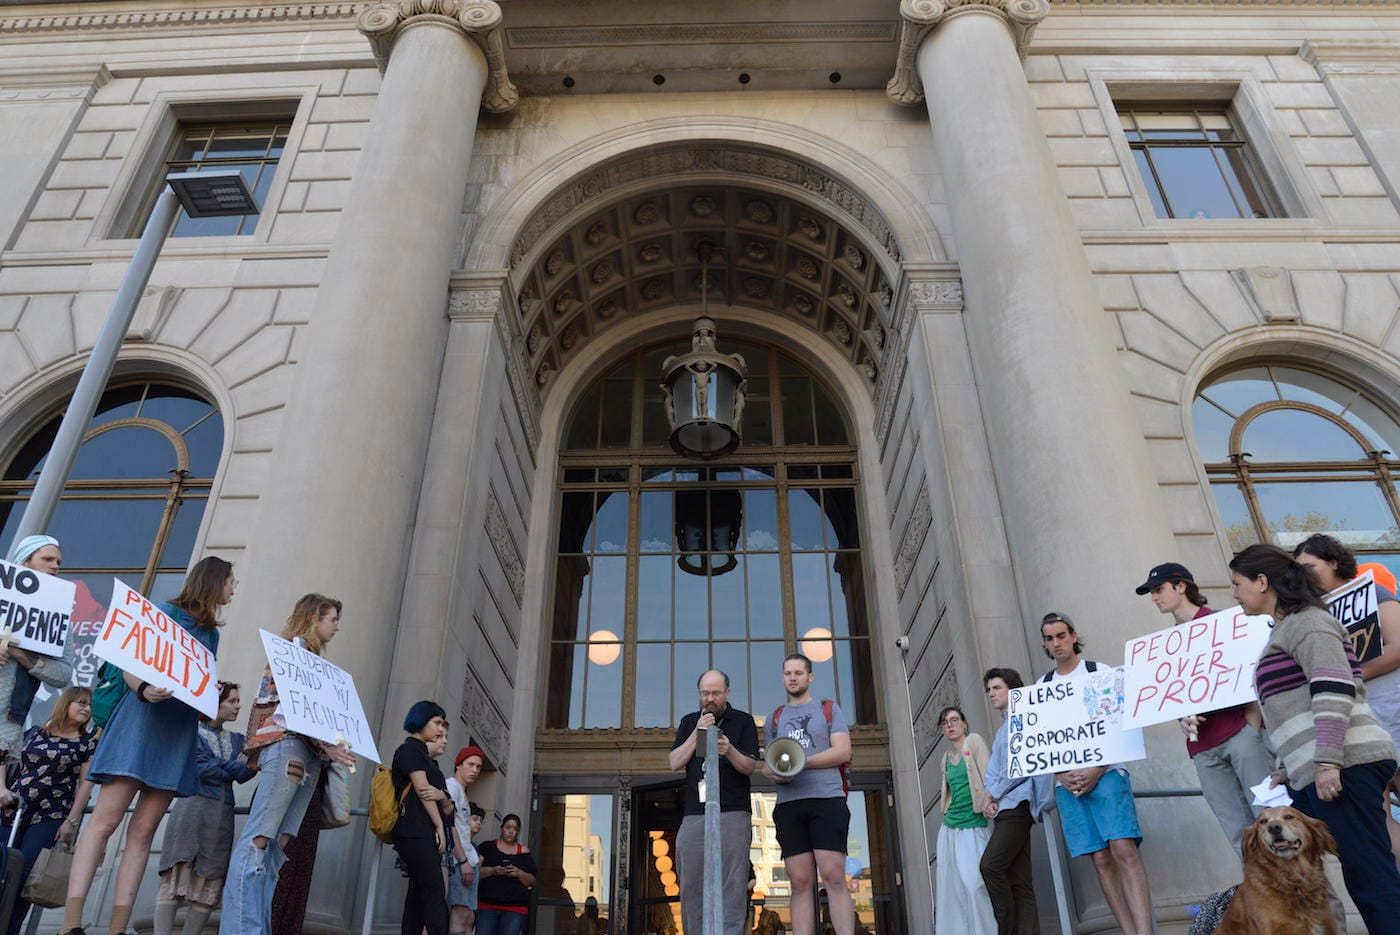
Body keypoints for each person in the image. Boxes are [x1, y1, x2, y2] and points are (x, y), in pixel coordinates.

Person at [1231, 543, 1400, 932]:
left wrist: (1326, 761)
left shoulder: (1308, 621)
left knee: (1370, 875)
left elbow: (1333, 688)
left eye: (1238, 584)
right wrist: (1283, 767)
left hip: (1346, 763)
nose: (1235, 594)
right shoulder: (1287, 628)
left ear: (1262, 582)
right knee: (1362, 873)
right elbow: (1291, 709)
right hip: (1317, 768)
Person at [63, 556, 233, 935]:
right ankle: (71, 924)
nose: (233, 589)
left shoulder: (211, 633)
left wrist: (211, 692)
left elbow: (195, 677)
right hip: (141, 723)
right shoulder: (162, 611)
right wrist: (143, 688)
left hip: (176, 731)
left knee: (143, 832)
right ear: (215, 582)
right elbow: (130, 657)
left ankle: (117, 928)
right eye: (231, 582)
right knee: (105, 822)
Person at [220, 594, 356, 935]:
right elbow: (290, 710)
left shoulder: (307, 659)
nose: (337, 626)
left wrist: (328, 746)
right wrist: (328, 743)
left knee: (278, 846)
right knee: (259, 841)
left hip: (308, 755)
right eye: (332, 619)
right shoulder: (291, 654)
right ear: (313, 618)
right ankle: (242, 929)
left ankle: (256, 927)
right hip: (288, 749)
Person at [1135, 562, 1274, 853]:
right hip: (1202, 748)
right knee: (1238, 833)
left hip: (1239, 733)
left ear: (1181, 586)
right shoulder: (1164, 645)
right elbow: (1171, 696)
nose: (1154, 597)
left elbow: (1251, 672)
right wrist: (1182, 721)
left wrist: (1253, 719)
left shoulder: (1223, 622)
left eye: (1159, 589)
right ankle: (1262, 896)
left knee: (1271, 819)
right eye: (1151, 592)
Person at [1038, 613, 1152, 935]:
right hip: (1068, 785)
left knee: (1123, 849)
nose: (1056, 643)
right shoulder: (1042, 687)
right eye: (1049, 638)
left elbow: (1119, 726)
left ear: (1074, 636)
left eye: (1061, 636)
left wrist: (1097, 769)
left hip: (1108, 774)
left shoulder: (1098, 673)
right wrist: (1061, 775)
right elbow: (1041, 743)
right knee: (1100, 859)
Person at [761, 653, 853, 935]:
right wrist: (773, 772)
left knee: (833, 876)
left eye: (798, 673)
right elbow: (770, 764)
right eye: (788, 673)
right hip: (790, 803)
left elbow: (842, 751)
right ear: (783, 678)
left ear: (809, 677)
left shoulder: (827, 709)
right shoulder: (775, 718)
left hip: (826, 799)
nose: (792, 677)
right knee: (799, 882)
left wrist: (801, 761)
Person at [155, 681, 256, 935]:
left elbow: (246, 771)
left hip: (221, 816)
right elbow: (200, 768)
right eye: (232, 701)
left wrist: (221, 765)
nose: (238, 706)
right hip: (191, 811)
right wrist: (228, 765)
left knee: (210, 881)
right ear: (215, 703)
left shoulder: (238, 739)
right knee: (176, 875)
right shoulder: (190, 733)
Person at [669, 669, 759, 935]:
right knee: (691, 883)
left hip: (733, 812)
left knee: (732, 883)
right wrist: (697, 732)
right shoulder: (688, 722)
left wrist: (729, 750)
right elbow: (674, 762)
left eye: (716, 693)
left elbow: (749, 766)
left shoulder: (743, 721)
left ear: (727, 694)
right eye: (705, 693)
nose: (710, 699)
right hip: (695, 814)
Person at [0, 686, 96, 935]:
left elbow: (85, 786)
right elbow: (5, 756)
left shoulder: (86, 745)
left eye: (89, 705)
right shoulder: (34, 734)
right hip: (13, 808)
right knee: (2, 868)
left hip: (50, 815)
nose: (87, 709)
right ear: (66, 703)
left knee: (24, 876)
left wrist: (71, 822)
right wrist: (2, 789)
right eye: (81, 702)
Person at [0, 535, 75, 801]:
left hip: (8, 723)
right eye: (47, 559)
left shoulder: (58, 617)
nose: (55, 565)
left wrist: (21, 655)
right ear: (25, 561)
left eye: (58, 561)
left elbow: (63, 674)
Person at [979, 668, 1045, 935]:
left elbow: (1021, 768)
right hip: (1004, 808)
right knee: (1019, 880)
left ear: (1013, 690)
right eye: (989, 689)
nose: (991, 694)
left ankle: (1007, 930)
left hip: (1018, 805)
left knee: (990, 866)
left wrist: (993, 793)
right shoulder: (1002, 730)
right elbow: (993, 772)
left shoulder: (1024, 721)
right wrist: (989, 797)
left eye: (997, 688)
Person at [390, 700, 453, 935]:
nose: (439, 729)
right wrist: (439, 828)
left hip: (421, 832)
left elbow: (443, 802)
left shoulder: (426, 757)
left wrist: (443, 798)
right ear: (421, 720)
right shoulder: (409, 750)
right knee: (434, 891)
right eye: (436, 722)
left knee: (417, 894)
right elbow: (423, 790)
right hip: (413, 831)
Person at [934, 705, 995, 935]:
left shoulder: (975, 742)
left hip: (974, 825)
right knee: (953, 890)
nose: (950, 725)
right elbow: (949, 792)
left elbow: (988, 775)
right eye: (945, 722)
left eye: (954, 720)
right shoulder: (945, 759)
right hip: (950, 828)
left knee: (975, 885)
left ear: (964, 723)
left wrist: (990, 801)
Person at [476, 814, 537, 935]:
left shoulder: (523, 852)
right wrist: (493, 871)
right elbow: (475, 871)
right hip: (487, 905)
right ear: (501, 828)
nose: (511, 831)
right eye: (508, 827)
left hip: (514, 908)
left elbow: (531, 880)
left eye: (515, 829)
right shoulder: (487, 847)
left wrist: (518, 873)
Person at [447, 747, 486, 935]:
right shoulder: (451, 787)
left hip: (469, 861)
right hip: (458, 862)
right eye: (471, 764)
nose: (475, 770)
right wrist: (462, 861)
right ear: (458, 764)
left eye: (478, 766)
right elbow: (449, 826)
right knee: (460, 915)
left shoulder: (462, 791)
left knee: (469, 918)